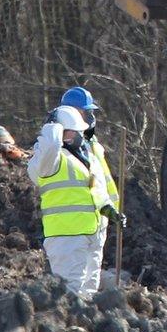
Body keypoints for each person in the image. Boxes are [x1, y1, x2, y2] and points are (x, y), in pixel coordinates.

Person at [27, 106, 125, 298]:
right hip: (66, 236)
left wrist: (108, 209)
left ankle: (83, 327)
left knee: (89, 290)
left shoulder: (86, 156)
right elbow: (49, 147)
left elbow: (96, 189)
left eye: (72, 131)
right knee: (70, 292)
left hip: (91, 233)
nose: (69, 136)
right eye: (65, 131)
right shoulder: (49, 160)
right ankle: (67, 327)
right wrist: (52, 127)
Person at [60, 87, 119, 210]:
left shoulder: (92, 143)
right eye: (85, 112)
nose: (90, 117)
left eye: (91, 112)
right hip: (80, 217)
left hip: (101, 217)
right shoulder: (61, 145)